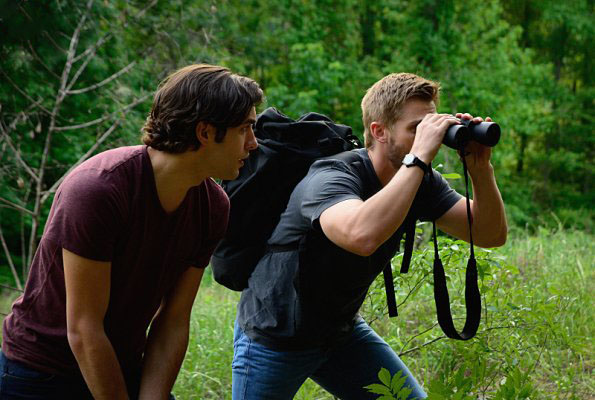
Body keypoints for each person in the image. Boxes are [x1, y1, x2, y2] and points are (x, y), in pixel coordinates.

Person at [232, 73, 507, 399]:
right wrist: (417, 159)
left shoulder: (420, 179)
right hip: (273, 337)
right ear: (379, 131)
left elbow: (489, 233)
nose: (428, 138)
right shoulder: (332, 175)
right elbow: (362, 236)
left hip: (340, 334)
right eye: (416, 128)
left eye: (431, 126)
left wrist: (480, 170)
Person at [1, 64, 263, 399]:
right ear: (206, 132)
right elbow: (83, 328)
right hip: (38, 373)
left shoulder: (213, 207)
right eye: (245, 129)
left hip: (122, 365)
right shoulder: (98, 189)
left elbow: (172, 322)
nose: (253, 144)